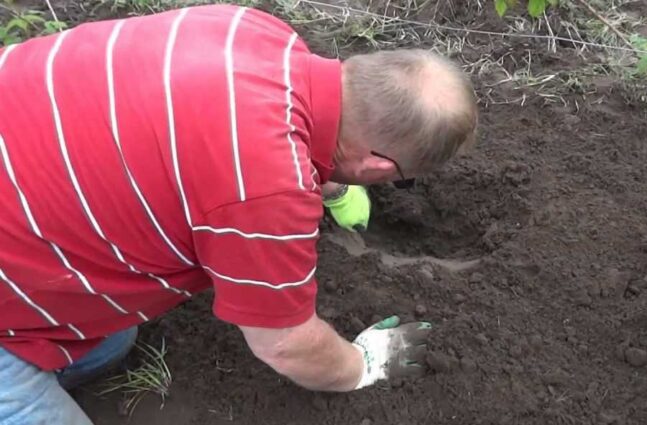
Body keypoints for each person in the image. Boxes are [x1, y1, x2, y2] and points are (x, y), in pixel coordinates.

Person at [0, 4, 477, 424]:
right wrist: (359, 365)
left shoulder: (257, 30)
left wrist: (330, 184)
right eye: (401, 177)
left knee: (108, 343)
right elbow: (286, 345)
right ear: (376, 166)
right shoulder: (266, 190)